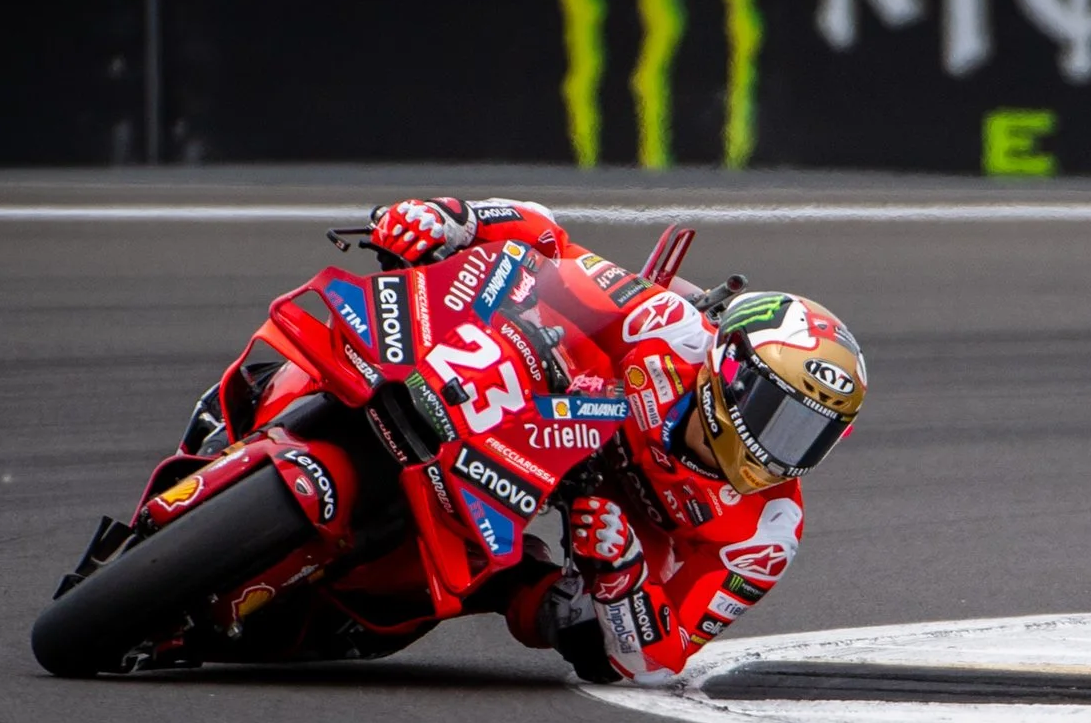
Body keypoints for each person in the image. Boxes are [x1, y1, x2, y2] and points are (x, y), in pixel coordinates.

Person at [182, 194, 868, 684]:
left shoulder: (768, 530)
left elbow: (659, 658)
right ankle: (266, 402)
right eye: (780, 414)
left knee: (569, 625)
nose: (787, 448)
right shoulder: (667, 326)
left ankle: (406, 588)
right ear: (729, 371)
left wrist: (623, 575)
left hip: (581, 517)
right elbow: (548, 244)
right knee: (409, 308)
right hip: (523, 410)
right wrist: (459, 222)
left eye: (813, 433)